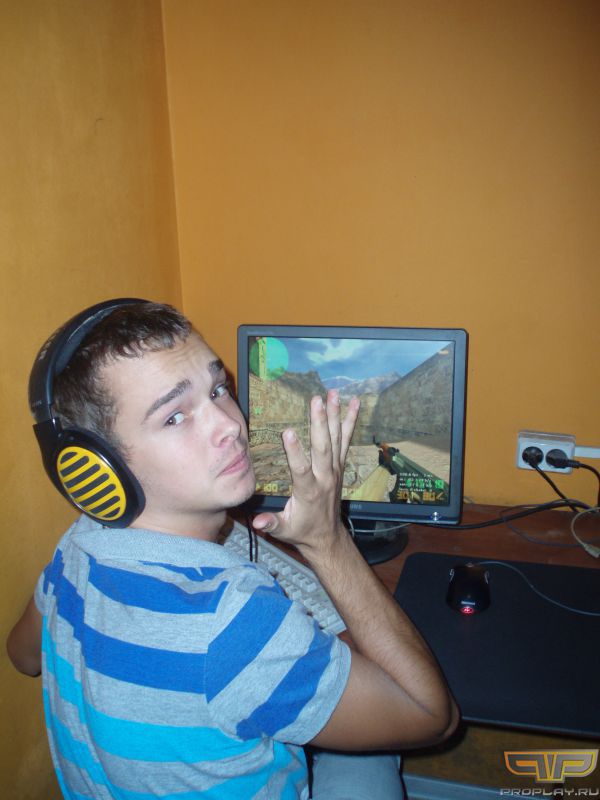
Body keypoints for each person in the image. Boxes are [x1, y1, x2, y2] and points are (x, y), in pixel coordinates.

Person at [7, 299, 459, 799]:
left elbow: (22, 655)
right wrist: (326, 540)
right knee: (377, 746)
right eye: (175, 417)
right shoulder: (232, 620)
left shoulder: (79, 543)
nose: (231, 425)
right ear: (95, 465)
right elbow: (432, 716)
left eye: (218, 389)